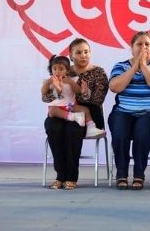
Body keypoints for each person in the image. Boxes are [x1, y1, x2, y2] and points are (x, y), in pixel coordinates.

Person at [43, 38, 109, 190]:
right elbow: (45, 98)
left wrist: (81, 92)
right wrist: (57, 91)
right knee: (53, 127)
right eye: (78, 52)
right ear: (71, 56)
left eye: (86, 52)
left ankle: (71, 177)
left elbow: (97, 100)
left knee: (72, 129)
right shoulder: (62, 69)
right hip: (62, 111)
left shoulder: (99, 72)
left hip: (88, 114)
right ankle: (60, 175)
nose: (83, 55)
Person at [108, 31, 150, 191]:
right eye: (139, 44)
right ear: (132, 47)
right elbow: (115, 87)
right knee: (120, 132)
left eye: (147, 44)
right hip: (123, 111)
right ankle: (121, 173)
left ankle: (139, 173)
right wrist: (135, 66)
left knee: (142, 131)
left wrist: (144, 66)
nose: (143, 47)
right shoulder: (120, 66)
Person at [43, 55, 105, 138]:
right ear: (51, 70)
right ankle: (73, 117)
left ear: (67, 70)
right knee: (52, 111)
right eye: (54, 69)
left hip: (70, 106)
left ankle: (91, 128)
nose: (57, 72)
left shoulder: (71, 80)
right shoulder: (50, 81)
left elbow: (77, 91)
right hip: (57, 107)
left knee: (85, 109)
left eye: (61, 69)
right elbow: (43, 92)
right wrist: (47, 83)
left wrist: (78, 87)